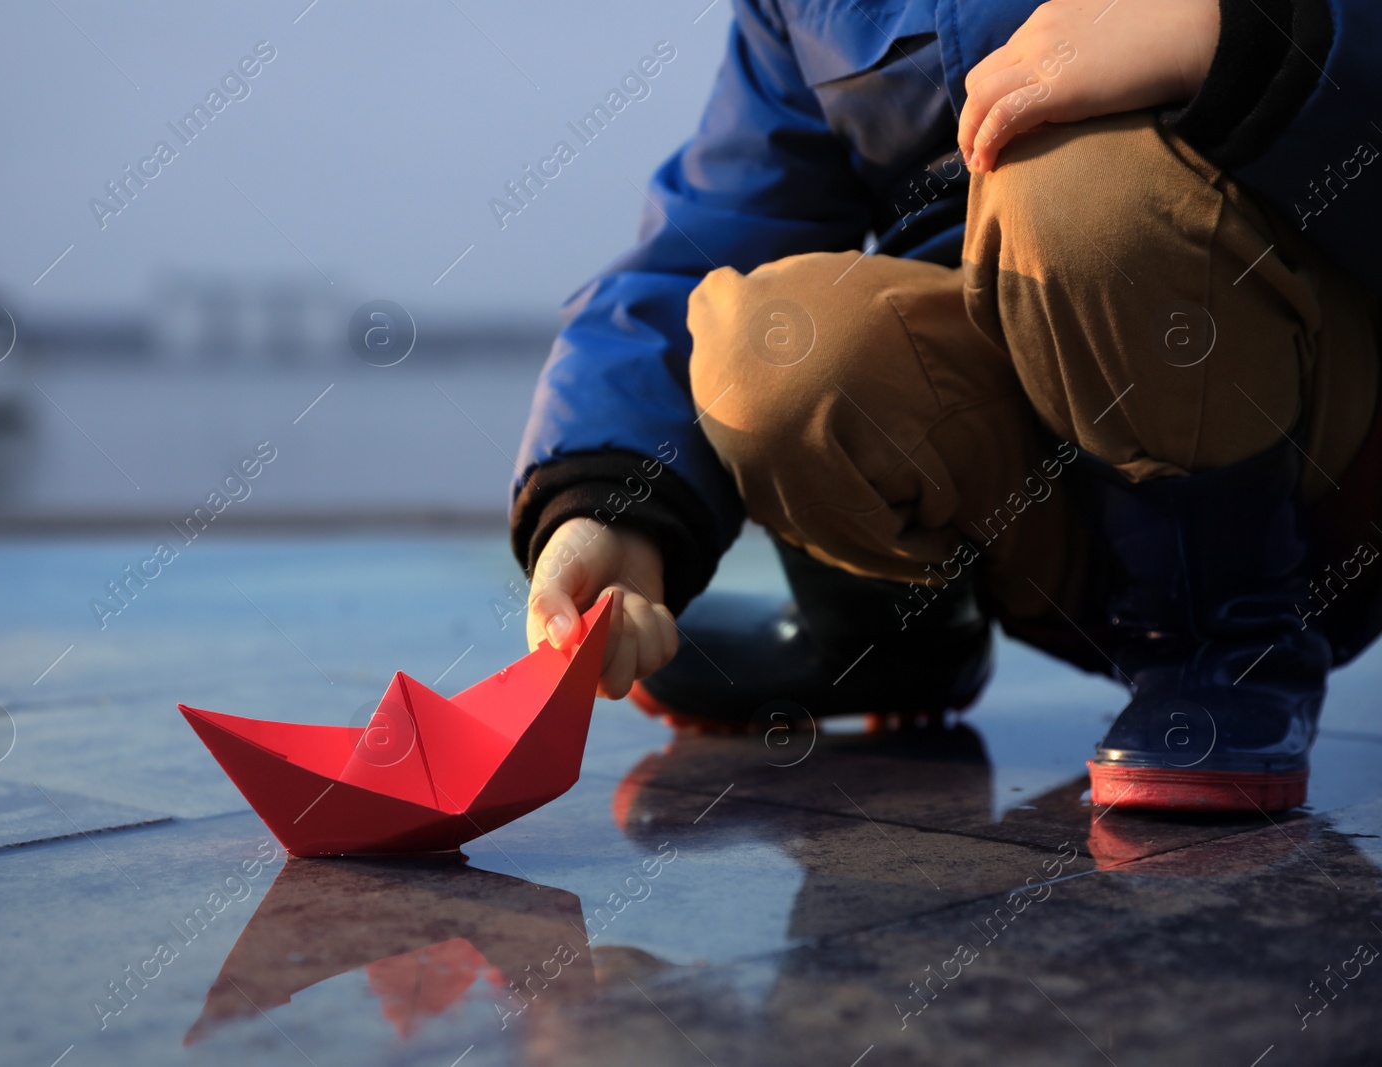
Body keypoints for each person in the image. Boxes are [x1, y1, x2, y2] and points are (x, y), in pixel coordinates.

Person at [510, 0, 1382, 813]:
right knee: (761, 341)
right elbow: (702, 241)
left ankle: (1226, 652)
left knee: (1070, 174)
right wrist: (613, 506)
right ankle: (894, 638)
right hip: (1054, 515)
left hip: (1309, 459)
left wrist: (1233, 30)